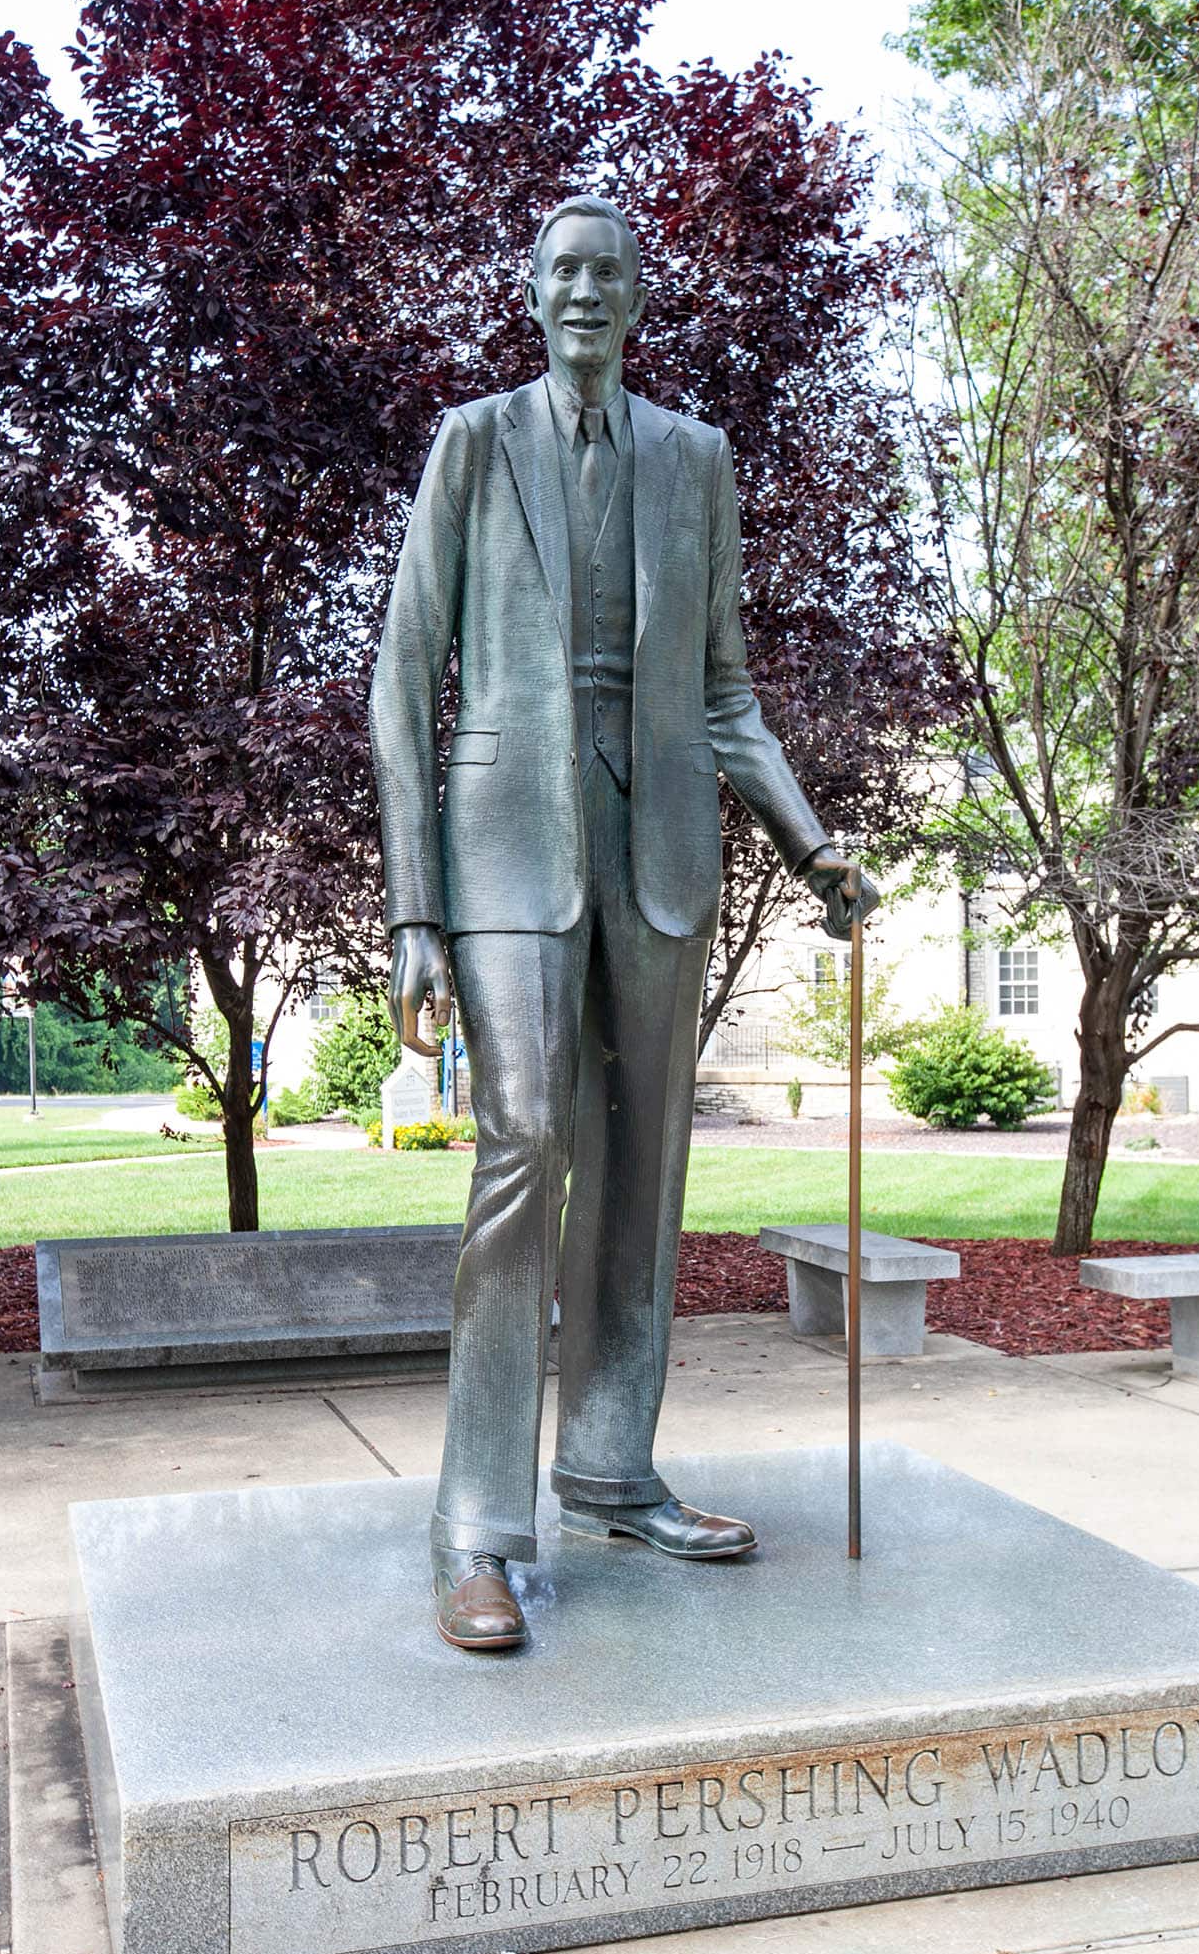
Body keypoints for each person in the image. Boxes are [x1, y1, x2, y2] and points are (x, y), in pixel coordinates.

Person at [369, 195, 874, 1652]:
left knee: (645, 1171)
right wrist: (414, 907)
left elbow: (724, 693)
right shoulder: (475, 441)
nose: (586, 291)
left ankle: (608, 1466)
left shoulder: (694, 459)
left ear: (640, 298)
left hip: (655, 852)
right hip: (507, 853)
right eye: (563, 270)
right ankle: (477, 1523)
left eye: (611, 272)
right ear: (533, 293)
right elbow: (407, 680)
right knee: (524, 1140)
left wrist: (813, 839)